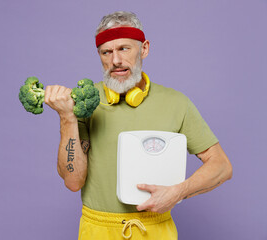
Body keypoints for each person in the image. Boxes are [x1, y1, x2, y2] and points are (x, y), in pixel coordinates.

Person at [44, 11, 233, 240]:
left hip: (155, 230)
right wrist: (67, 117)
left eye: (124, 48)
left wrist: (177, 192)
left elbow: (222, 166)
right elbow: (73, 181)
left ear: (144, 48)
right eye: (107, 52)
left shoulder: (176, 103)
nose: (115, 60)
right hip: (97, 231)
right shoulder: (83, 102)